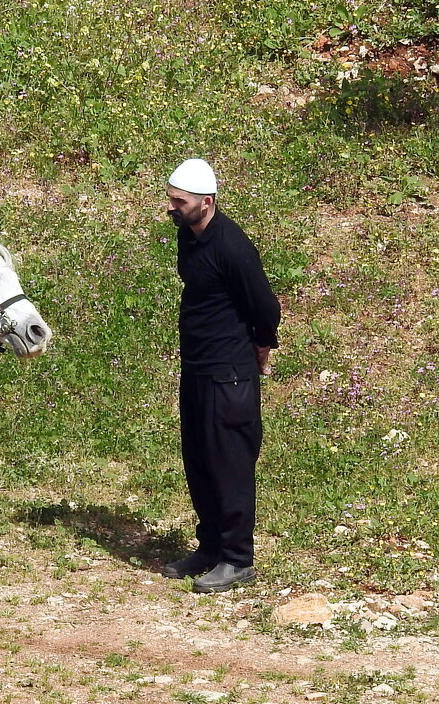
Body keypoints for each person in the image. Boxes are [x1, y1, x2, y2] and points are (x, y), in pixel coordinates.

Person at [160, 158, 281, 593]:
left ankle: (237, 558)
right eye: (170, 199)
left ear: (206, 203)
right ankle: (210, 547)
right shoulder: (188, 236)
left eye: (179, 201)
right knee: (199, 460)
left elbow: (266, 308)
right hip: (196, 369)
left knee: (229, 463)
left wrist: (261, 346)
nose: (170, 208)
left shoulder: (232, 247)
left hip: (229, 375)